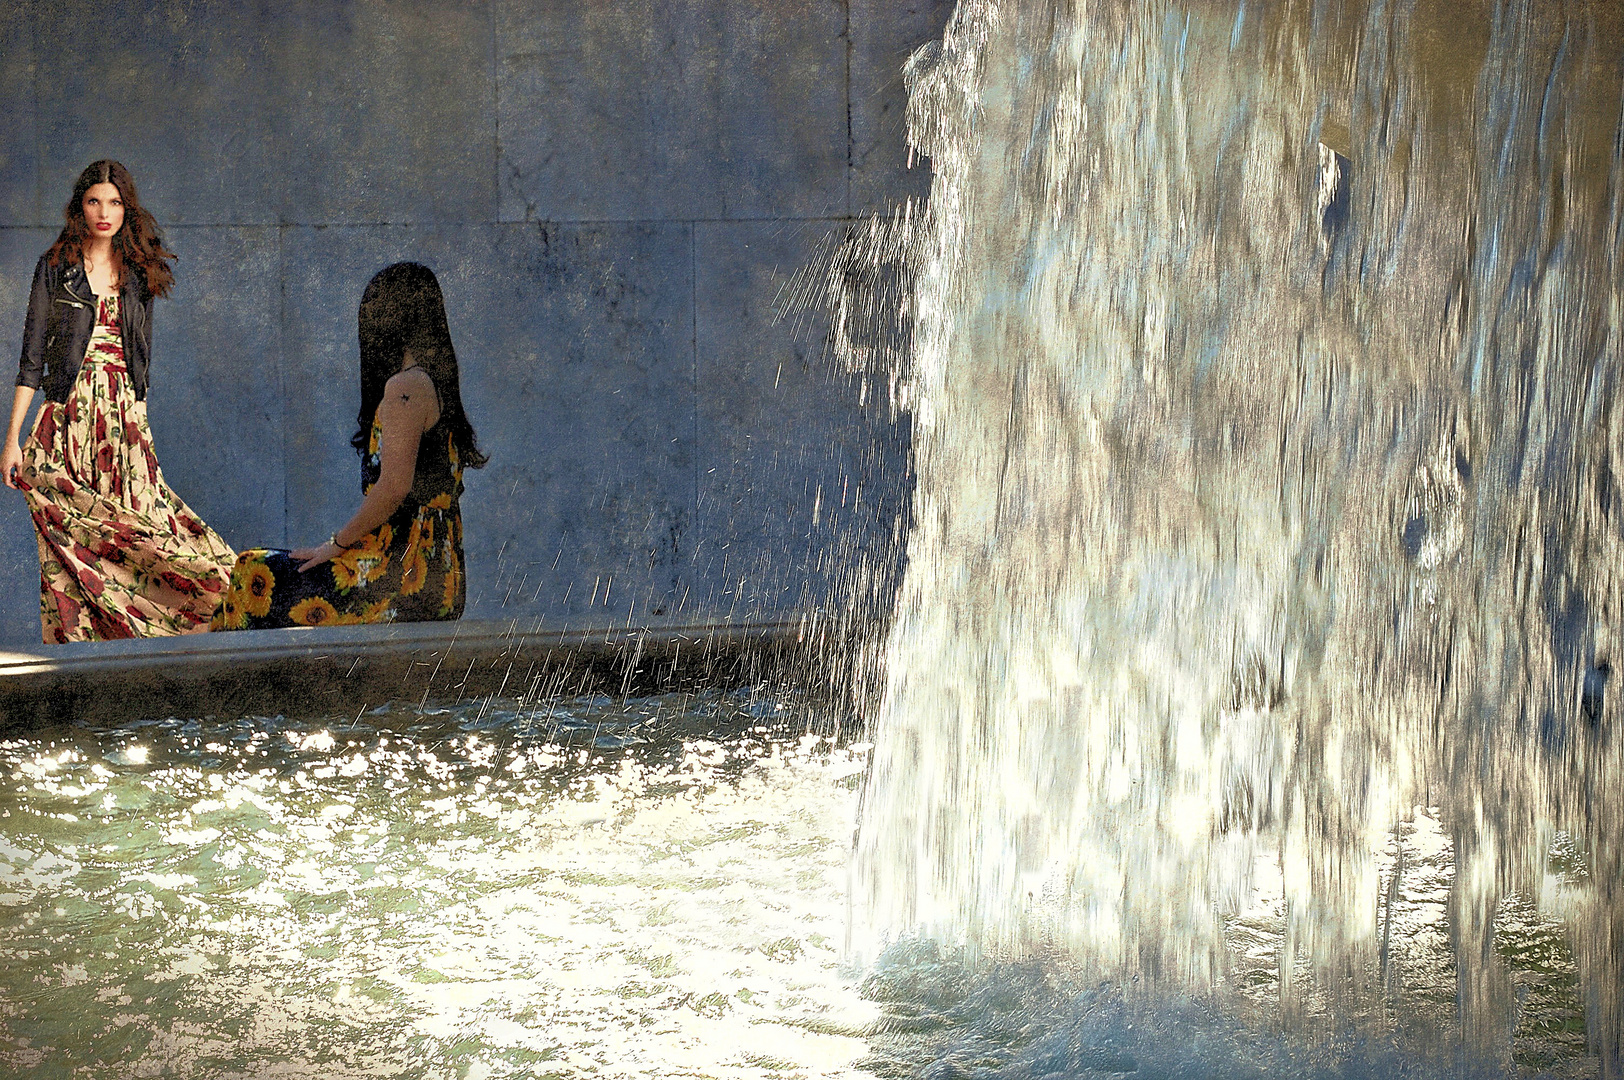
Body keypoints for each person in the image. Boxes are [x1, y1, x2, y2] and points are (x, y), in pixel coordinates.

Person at [1, 160, 235, 643]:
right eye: (93, 201)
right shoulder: (55, 268)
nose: (103, 212)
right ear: (79, 206)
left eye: (114, 202)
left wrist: (139, 425)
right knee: (72, 542)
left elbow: (140, 356)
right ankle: (86, 660)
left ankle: (208, 607)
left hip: (123, 419)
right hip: (68, 417)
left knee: (143, 528)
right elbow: (31, 360)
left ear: (126, 208)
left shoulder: (137, 273)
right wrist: (12, 441)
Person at [212, 262, 485, 630]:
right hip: (439, 581)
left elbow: (393, 487)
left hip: (398, 579)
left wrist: (336, 544)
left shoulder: (405, 387)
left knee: (252, 571)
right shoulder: (437, 386)